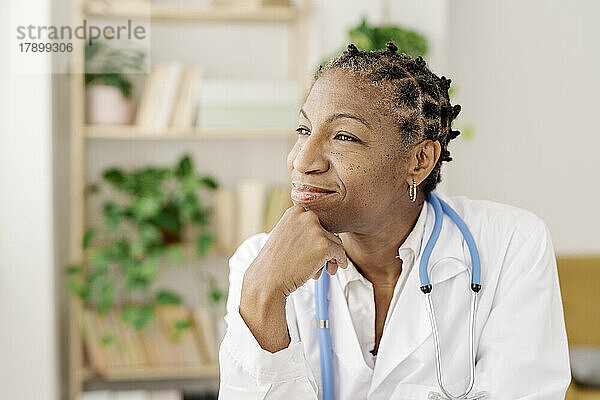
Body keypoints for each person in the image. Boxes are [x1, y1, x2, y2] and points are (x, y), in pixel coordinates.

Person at [217, 42, 571, 399]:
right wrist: (263, 294)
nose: (302, 160)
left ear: (419, 159)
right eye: (304, 131)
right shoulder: (259, 264)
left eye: (344, 136)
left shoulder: (511, 245)